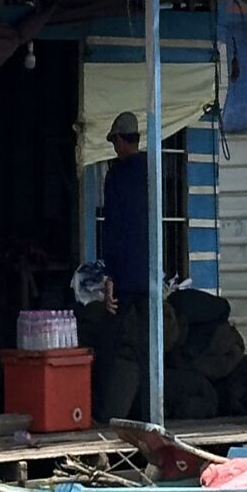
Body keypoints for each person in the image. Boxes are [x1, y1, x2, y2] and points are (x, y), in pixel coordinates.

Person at [100, 112, 153, 418]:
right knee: (149, 347)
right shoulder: (150, 171)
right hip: (149, 271)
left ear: (121, 141)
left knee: (110, 340)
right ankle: (149, 413)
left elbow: (113, 227)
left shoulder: (117, 176)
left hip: (124, 272)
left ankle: (109, 410)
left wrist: (110, 276)